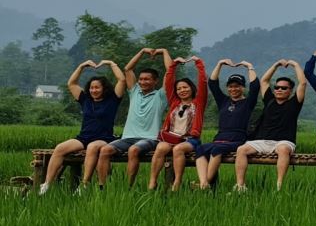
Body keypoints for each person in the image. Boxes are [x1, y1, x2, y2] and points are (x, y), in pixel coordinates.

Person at [38, 59, 126, 195]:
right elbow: (71, 83)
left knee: (92, 147)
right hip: (84, 137)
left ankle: (84, 185)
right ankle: (47, 184)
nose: (93, 90)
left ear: (104, 88)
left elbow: (122, 80)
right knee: (60, 148)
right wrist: (81, 66)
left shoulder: (113, 100)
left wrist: (111, 64)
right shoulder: (85, 100)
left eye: (97, 87)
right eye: (91, 88)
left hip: (103, 138)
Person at [95, 48, 167, 187]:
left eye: (147, 79)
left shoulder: (161, 96)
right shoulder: (134, 92)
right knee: (104, 150)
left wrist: (164, 52)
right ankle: (102, 186)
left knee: (133, 150)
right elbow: (128, 69)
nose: (143, 82)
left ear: (155, 81)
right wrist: (142, 52)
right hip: (128, 137)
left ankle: (128, 187)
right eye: (141, 79)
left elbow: (169, 72)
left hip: (149, 138)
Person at [235, 59, 306, 192]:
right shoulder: (269, 100)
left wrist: (295, 64)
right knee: (241, 150)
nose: (279, 90)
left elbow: (303, 83)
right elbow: (264, 81)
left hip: (284, 141)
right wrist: (276, 65)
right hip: (262, 140)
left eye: (284, 88)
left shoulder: (294, 103)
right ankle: (240, 185)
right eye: (277, 87)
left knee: (283, 150)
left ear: (290, 91)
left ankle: (279, 186)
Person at [194, 60, 260, 191]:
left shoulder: (248, 103)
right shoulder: (223, 101)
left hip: (237, 139)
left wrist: (249, 66)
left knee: (217, 150)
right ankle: (203, 183)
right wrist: (219, 64)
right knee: (200, 149)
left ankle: (204, 184)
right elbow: (212, 83)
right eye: (230, 86)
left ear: (243, 88)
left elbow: (255, 86)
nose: (233, 89)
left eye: (237, 86)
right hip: (219, 138)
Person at [149, 55, 207, 192]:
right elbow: (169, 82)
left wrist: (198, 63)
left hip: (190, 140)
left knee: (178, 149)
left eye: (185, 87)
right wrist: (173, 65)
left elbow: (203, 82)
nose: (182, 90)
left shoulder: (198, 103)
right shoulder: (174, 103)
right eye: (179, 89)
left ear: (192, 88)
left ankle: (177, 181)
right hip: (171, 137)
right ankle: (153, 181)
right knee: (160, 148)